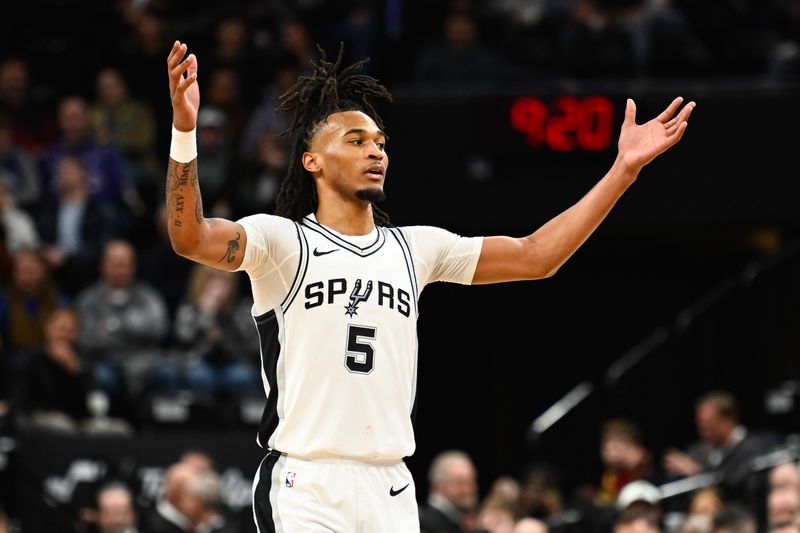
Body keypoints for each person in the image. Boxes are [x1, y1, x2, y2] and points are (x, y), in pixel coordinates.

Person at [165, 39, 694, 532]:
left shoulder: (416, 249)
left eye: (380, 142)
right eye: (356, 141)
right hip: (307, 480)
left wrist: (624, 169)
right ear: (313, 162)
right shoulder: (282, 243)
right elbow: (189, 239)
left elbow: (539, 256)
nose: (376, 152)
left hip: (390, 483)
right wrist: (184, 131)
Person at [419, 450, 479, 533]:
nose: (469, 489)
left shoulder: (460, 522)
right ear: (439, 485)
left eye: (472, 481)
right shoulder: (423, 523)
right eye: (461, 483)